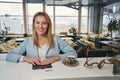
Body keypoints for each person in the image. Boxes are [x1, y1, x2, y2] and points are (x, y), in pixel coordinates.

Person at [6, 12, 77, 65]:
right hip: (33, 75)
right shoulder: (28, 41)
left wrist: (54, 58)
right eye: (37, 23)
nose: (40, 26)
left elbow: (73, 53)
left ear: (48, 25)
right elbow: (9, 55)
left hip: (54, 73)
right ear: (34, 25)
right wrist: (26, 58)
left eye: (44, 23)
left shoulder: (56, 39)